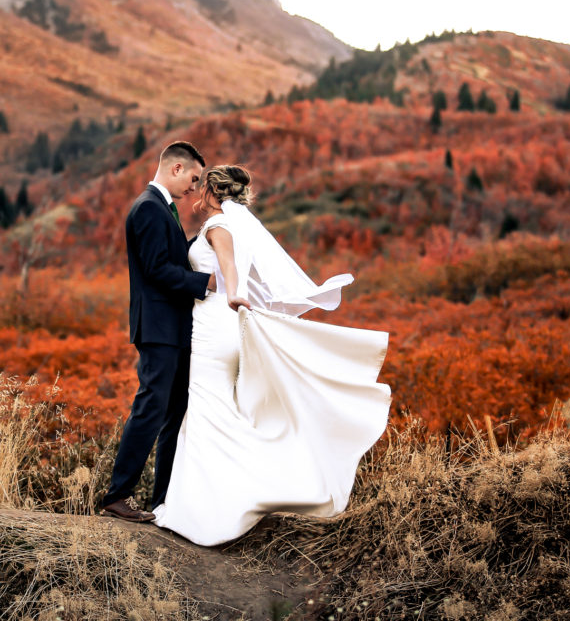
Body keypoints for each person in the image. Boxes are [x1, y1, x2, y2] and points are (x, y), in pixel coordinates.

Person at [150, 165, 391, 546]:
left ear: (213, 191)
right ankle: (206, 499)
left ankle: (206, 509)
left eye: (201, 186)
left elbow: (228, 271)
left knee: (205, 411)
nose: (196, 192)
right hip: (221, 327)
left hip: (213, 327)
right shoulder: (231, 224)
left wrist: (232, 295)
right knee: (215, 410)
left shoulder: (217, 227)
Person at [99, 141, 215, 522]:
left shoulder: (161, 207)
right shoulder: (148, 207)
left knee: (174, 412)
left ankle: (162, 500)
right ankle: (118, 496)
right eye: (194, 179)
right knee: (151, 408)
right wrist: (205, 282)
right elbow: (156, 270)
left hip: (175, 327)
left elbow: (169, 257)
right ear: (176, 169)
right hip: (159, 327)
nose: (195, 188)